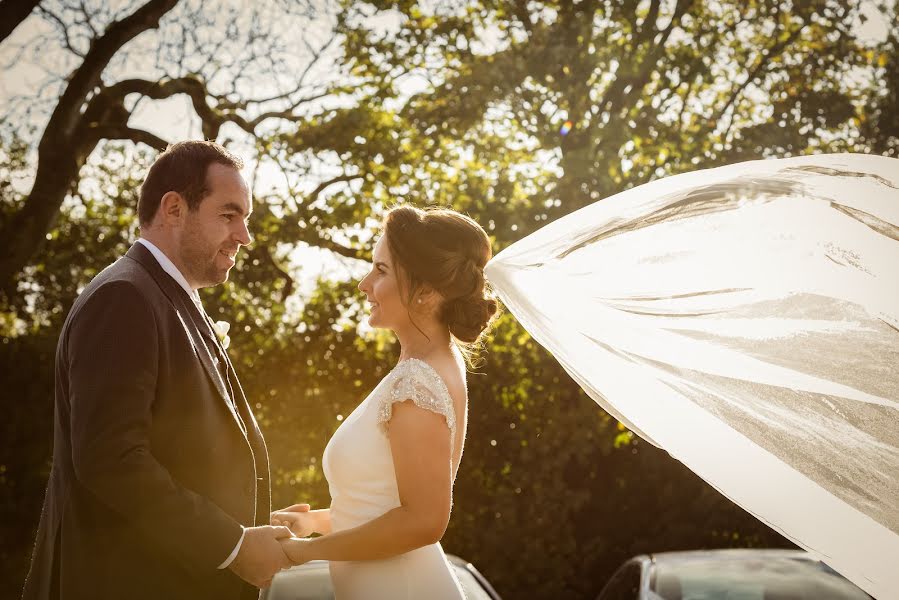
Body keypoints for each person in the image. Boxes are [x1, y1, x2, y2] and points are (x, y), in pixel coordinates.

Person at [22, 141, 297, 600]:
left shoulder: (166, 298)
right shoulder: (124, 298)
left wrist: (251, 527)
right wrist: (232, 546)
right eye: (229, 215)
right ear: (173, 209)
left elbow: (184, 451)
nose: (244, 236)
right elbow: (111, 459)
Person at [271, 204, 499, 599]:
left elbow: (422, 522)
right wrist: (315, 524)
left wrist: (304, 553)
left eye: (380, 271)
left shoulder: (418, 382)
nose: (364, 284)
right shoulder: (426, 367)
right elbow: (380, 508)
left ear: (426, 291)